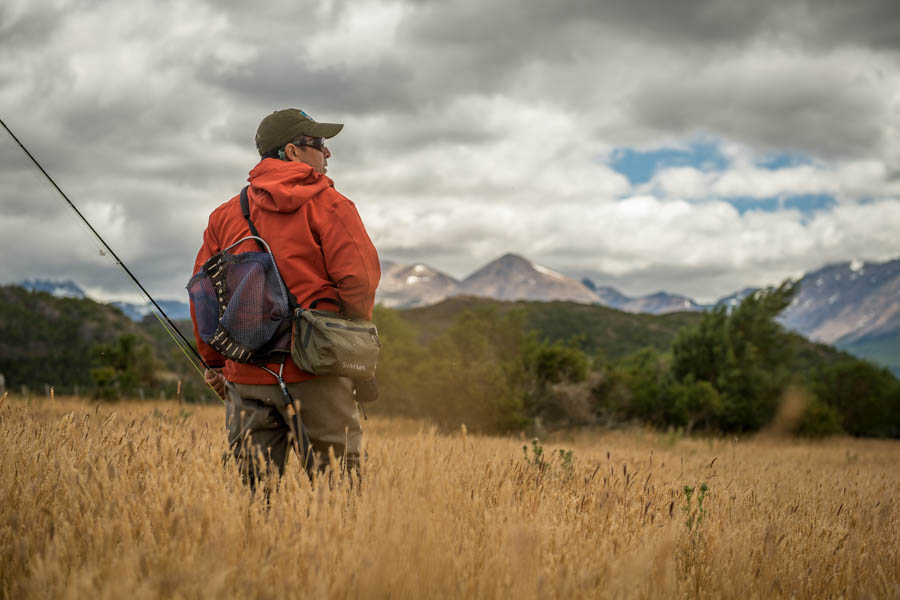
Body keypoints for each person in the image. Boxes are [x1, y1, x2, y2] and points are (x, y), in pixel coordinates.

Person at [189, 108, 380, 485]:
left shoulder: (224, 216)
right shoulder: (332, 205)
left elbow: (204, 296)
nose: (327, 153)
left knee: (253, 498)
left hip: (247, 376)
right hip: (319, 372)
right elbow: (359, 280)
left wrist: (215, 364)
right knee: (338, 495)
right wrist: (349, 341)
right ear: (292, 151)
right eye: (319, 144)